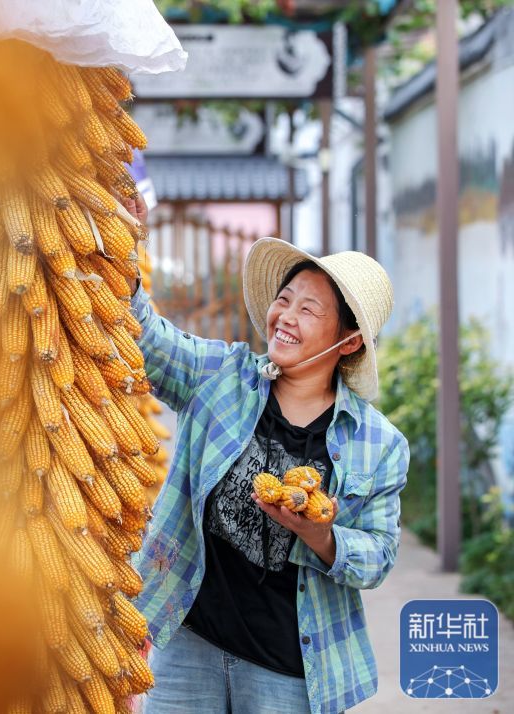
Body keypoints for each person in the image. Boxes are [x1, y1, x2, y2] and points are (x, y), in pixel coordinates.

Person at [123, 196, 409, 714]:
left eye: (309, 309)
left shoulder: (380, 444)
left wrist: (321, 535)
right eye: (286, 298)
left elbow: (379, 556)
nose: (286, 316)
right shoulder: (222, 379)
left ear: (347, 342)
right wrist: (124, 258)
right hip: (190, 647)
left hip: (291, 672)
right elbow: (152, 344)